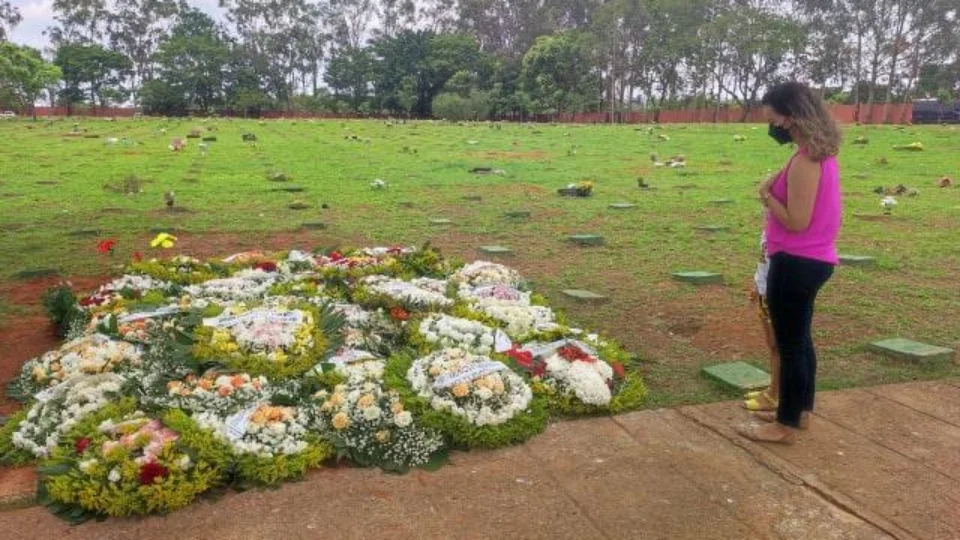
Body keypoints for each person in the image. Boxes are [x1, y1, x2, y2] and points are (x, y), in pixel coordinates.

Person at [737, 82, 842, 444]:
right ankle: (799, 412)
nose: (771, 124)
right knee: (800, 341)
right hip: (811, 259)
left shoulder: (805, 161)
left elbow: (797, 220)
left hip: (795, 261)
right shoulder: (814, 153)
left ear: (791, 118)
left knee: (792, 344)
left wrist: (767, 198)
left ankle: (785, 425)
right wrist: (772, 183)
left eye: (773, 117)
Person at [743, 230, 779, 412]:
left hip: (776, 293)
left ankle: (775, 394)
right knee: (772, 344)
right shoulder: (769, 228)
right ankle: (773, 389)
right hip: (764, 292)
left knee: (780, 346)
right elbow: (763, 261)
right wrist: (756, 286)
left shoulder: (785, 230)